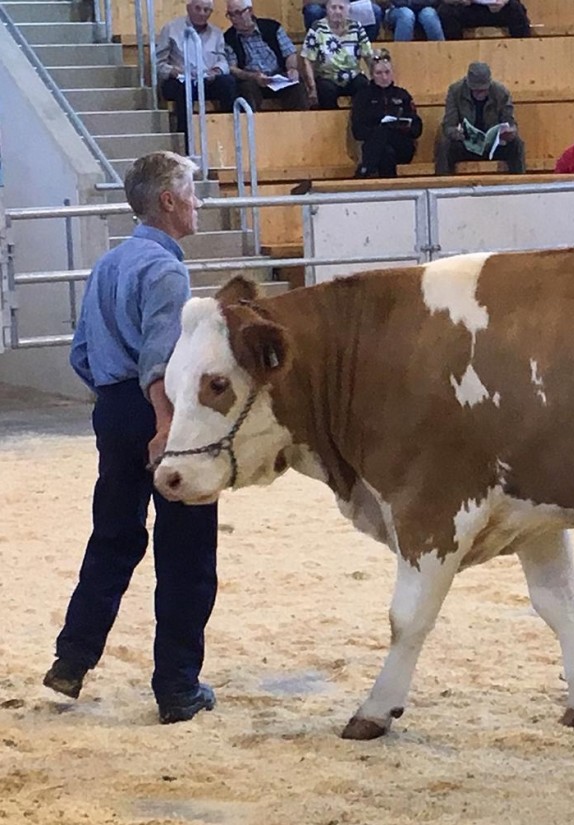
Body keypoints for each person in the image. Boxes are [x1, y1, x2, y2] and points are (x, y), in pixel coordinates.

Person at [44, 151, 219, 726]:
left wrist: (115, 408)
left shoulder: (108, 264)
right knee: (186, 551)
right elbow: (157, 362)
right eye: (191, 192)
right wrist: (166, 425)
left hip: (113, 411)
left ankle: (72, 657)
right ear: (167, 200)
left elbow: (80, 354)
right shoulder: (167, 271)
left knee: (114, 536)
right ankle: (177, 687)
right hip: (160, 415)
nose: (198, 203)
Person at [155, 0, 238, 140]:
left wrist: (216, 71)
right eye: (198, 8)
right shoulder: (171, 28)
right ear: (188, 8)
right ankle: (185, 140)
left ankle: (229, 134)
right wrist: (174, 71)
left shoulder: (216, 33)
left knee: (228, 82)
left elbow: (223, 60)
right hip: (179, 79)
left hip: (207, 79)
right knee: (183, 90)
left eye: (206, 10)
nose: (201, 13)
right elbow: (157, 63)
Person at [435, 62, 524, 175]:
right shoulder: (455, 91)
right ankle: (443, 186)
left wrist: (509, 132)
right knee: (445, 144)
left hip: (493, 146)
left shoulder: (501, 93)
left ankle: (517, 185)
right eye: (476, 90)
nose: (479, 93)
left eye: (483, 90)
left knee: (517, 144)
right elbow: (448, 126)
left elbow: (510, 123)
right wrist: (460, 134)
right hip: (466, 144)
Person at [222, 0, 308, 111]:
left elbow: (289, 53)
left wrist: (292, 69)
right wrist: (253, 76)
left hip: (278, 76)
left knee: (296, 86)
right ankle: (252, 125)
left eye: (238, 13)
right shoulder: (229, 38)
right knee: (246, 89)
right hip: (251, 79)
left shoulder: (273, 27)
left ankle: (299, 123)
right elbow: (233, 69)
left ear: (250, 11)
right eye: (230, 14)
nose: (234, 18)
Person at [351, 56, 422, 177]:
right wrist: (378, 130)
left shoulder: (402, 95)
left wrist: (401, 126)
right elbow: (358, 131)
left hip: (402, 145)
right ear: (372, 75)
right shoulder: (363, 97)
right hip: (375, 146)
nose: (384, 77)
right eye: (379, 73)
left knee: (387, 132)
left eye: (387, 72)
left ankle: (365, 168)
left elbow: (417, 129)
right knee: (386, 152)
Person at [300, 0, 374, 110]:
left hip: (352, 75)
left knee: (363, 85)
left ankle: (360, 121)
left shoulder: (356, 27)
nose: (337, 11)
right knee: (326, 90)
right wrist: (312, 89)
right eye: (333, 7)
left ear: (348, 10)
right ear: (327, 9)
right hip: (327, 77)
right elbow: (307, 59)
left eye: (341, 8)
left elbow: (368, 55)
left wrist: (375, 79)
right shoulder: (318, 28)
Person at [436, 0, 531, 40]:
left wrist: (504, 1)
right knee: (445, 12)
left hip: (496, 9)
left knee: (516, 9)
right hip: (468, 9)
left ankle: (523, 51)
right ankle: (454, 53)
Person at [303, 0, 382, 40]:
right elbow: (308, 1)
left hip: (352, 7)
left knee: (375, 10)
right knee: (312, 11)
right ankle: (314, 45)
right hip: (325, 6)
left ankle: (367, 46)